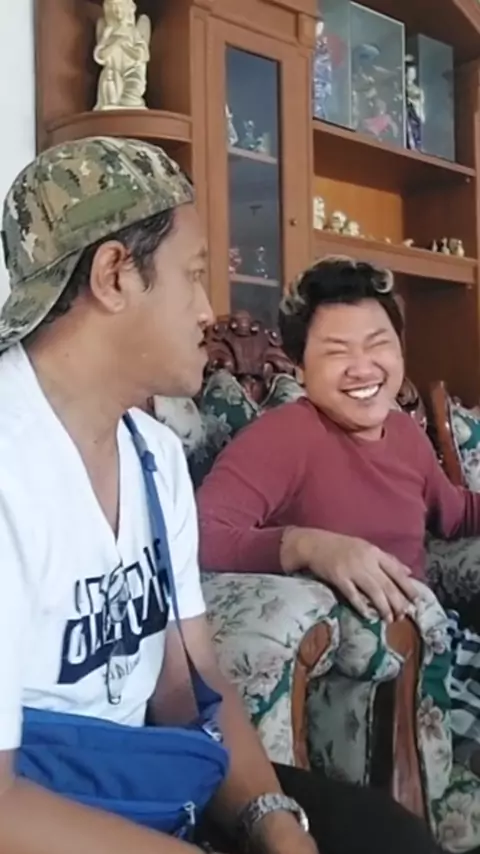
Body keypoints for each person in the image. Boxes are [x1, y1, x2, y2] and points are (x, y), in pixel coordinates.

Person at [0, 139, 444, 854]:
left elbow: (191, 686)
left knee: (387, 838)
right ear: (115, 275)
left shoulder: (154, 457)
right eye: (194, 275)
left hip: (141, 780)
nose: (210, 311)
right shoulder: (11, 467)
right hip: (37, 809)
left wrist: (272, 820)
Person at [196, 257, 480, 768]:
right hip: (378, 671)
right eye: (336, 351)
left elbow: (453, 513)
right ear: (301, 367)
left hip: (440, 638)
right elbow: (197, 532)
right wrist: (307, 545)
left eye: (378, 344)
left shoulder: (404, 432)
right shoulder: (284, 436)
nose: (363, 368)